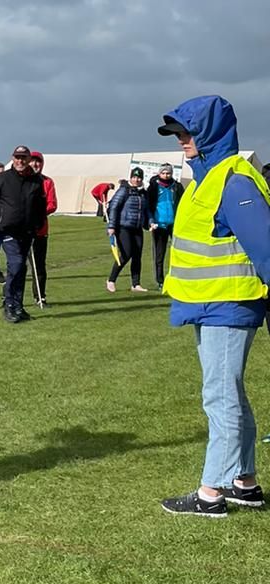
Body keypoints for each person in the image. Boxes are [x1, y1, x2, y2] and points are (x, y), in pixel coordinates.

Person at [156, 95, 270, 516]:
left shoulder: (233, 183)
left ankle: (211, 493)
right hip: (210, 306)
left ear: (210, 133)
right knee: (229, 394)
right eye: (178, 134)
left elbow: (266, 246)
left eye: (187, 133)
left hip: (230, 307)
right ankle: (245, 482)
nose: (182, 141)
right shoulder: (208, 180)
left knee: (219, 397)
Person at [0, 145, 46, 323]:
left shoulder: (36, 181)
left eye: (24, 157)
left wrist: (38, 225)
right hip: (7, 230)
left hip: (27, 231)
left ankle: (18, 305)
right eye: (17, 157)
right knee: (16, 264)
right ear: (13, 158)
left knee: (21, 269)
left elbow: (40, 206)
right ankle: (9, 305)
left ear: (28, 159)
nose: (20, 161)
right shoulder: (2, 179)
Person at [106, 167, 151, 293]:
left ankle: (136, 284)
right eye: (134, 177)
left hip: (137, 228)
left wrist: (150, 223)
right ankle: (111, 280)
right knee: (126, 254)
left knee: (137, 256)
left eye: (139, 178)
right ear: (131, 178)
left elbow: (147, 210)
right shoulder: (124, 190)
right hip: (123, 227)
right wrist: (111, 226)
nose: (136, 180)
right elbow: (114, 208)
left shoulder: (143, 193)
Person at [145, 163, 183, 291]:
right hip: (159, 224)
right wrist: (150, 221)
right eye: (164, 173)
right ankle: (160, 280)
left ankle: (178, 277)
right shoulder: (154, 187)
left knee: (178, 251)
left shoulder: (177, 187)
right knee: (159, 254)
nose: (166, 176)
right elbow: (148, 206)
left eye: (168, 173)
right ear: (159, 174)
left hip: (174, 224)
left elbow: (182, 204)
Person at [29, 151, 57, 305]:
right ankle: (11, 297)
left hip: (40, 230)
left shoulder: (47, 182)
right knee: (16, 266)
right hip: (22, 230)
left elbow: (52, 204)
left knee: (39, 266)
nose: (35, 164)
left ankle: (40, 296)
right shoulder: (22, 180)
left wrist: (38, 214)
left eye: (38, 162)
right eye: (33, 161)